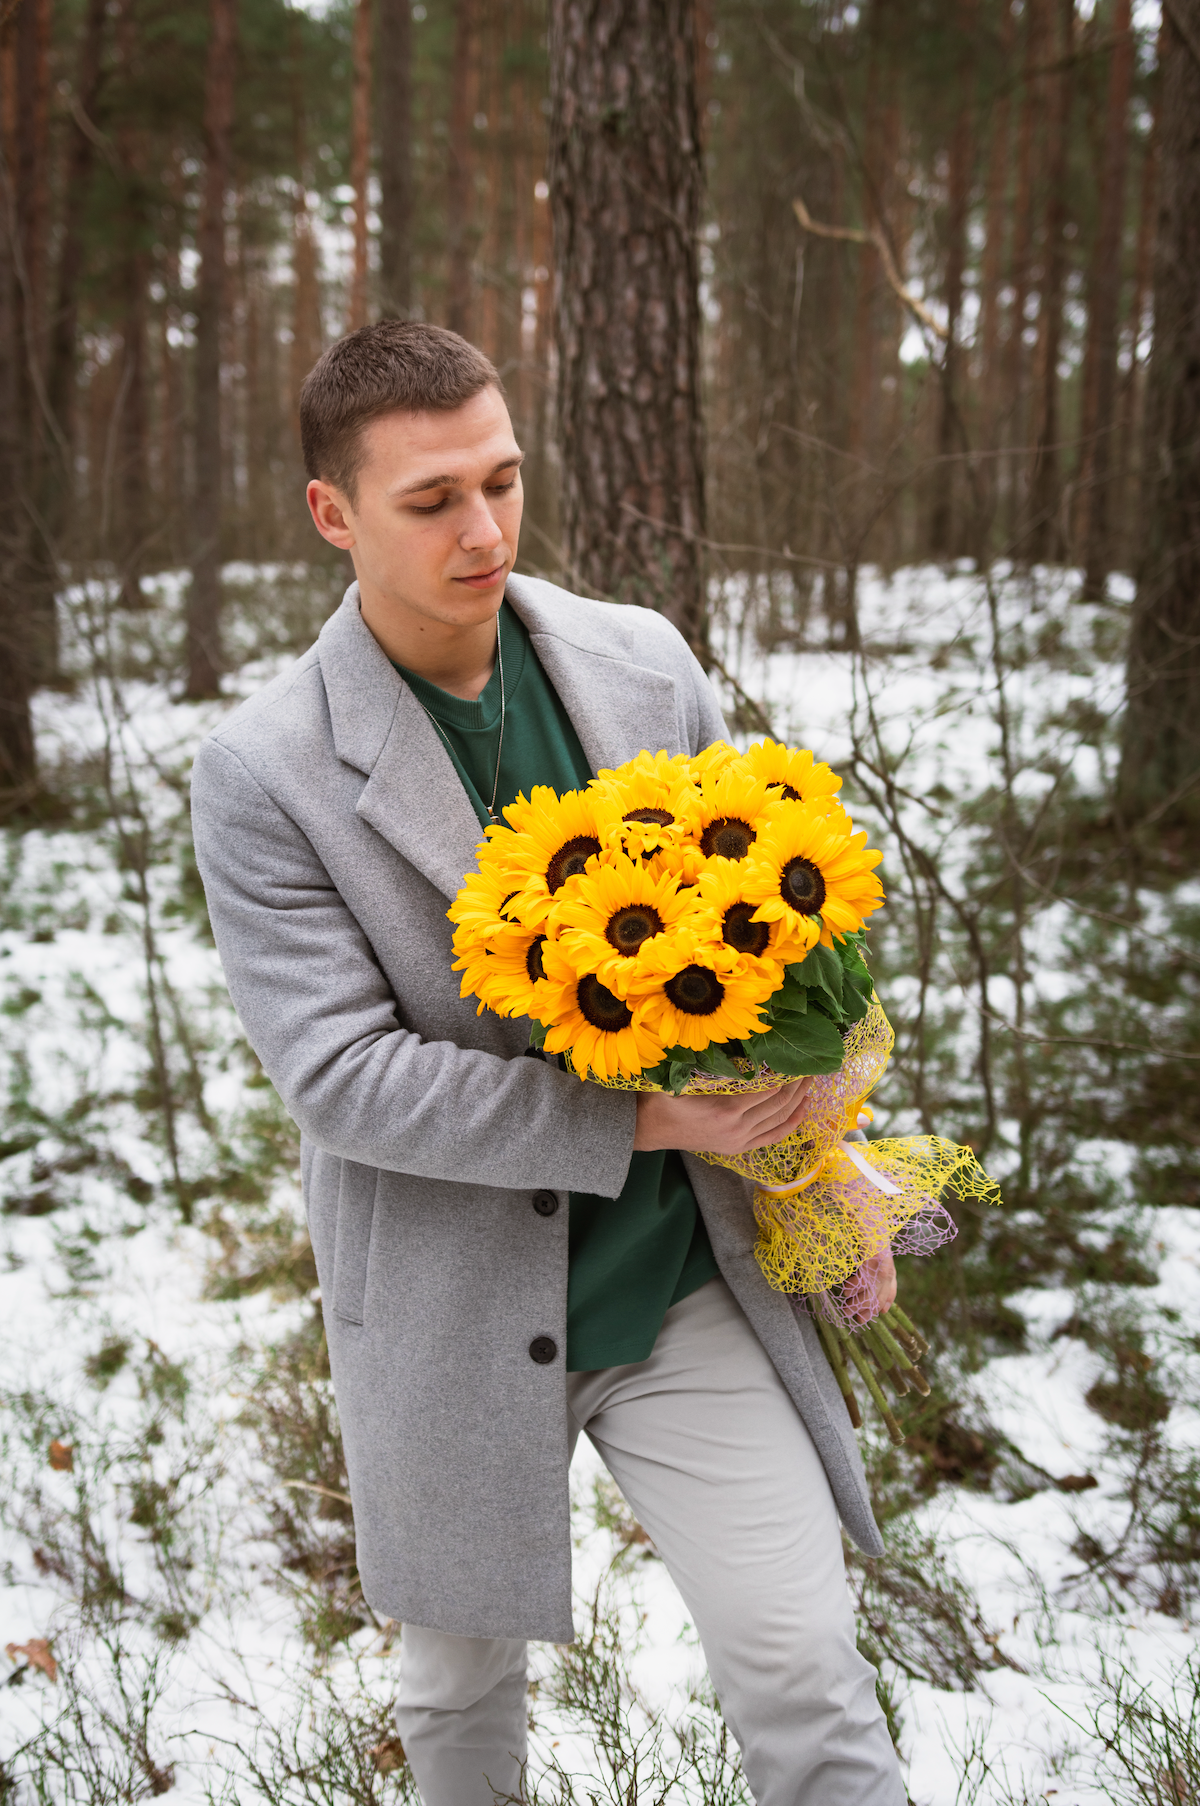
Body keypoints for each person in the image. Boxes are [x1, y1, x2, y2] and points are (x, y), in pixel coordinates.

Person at [190, 320, 906, 1806]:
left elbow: (765, 957)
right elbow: (344, 1077)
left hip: (687, 1276)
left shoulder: (640, 662)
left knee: (805, 1667)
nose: (485, 528)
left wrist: (819, 1155)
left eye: (502, 480)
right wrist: (644, 1115)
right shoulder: (266, 771)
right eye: (432, 498)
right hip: (450, 1310)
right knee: (460, 1707)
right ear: (333, 513)